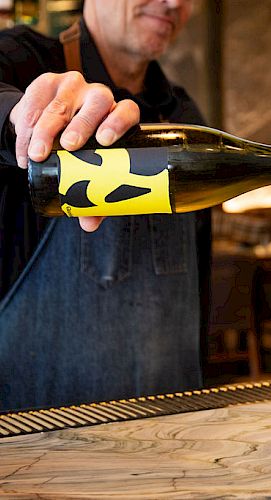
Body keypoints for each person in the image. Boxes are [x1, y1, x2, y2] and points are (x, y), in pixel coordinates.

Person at [0, 0, 211, 411]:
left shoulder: (184, 115)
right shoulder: (21, 60)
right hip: (37, 447)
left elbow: (196, 298)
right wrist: (24, 120)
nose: (174, 2)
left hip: (171, 438)